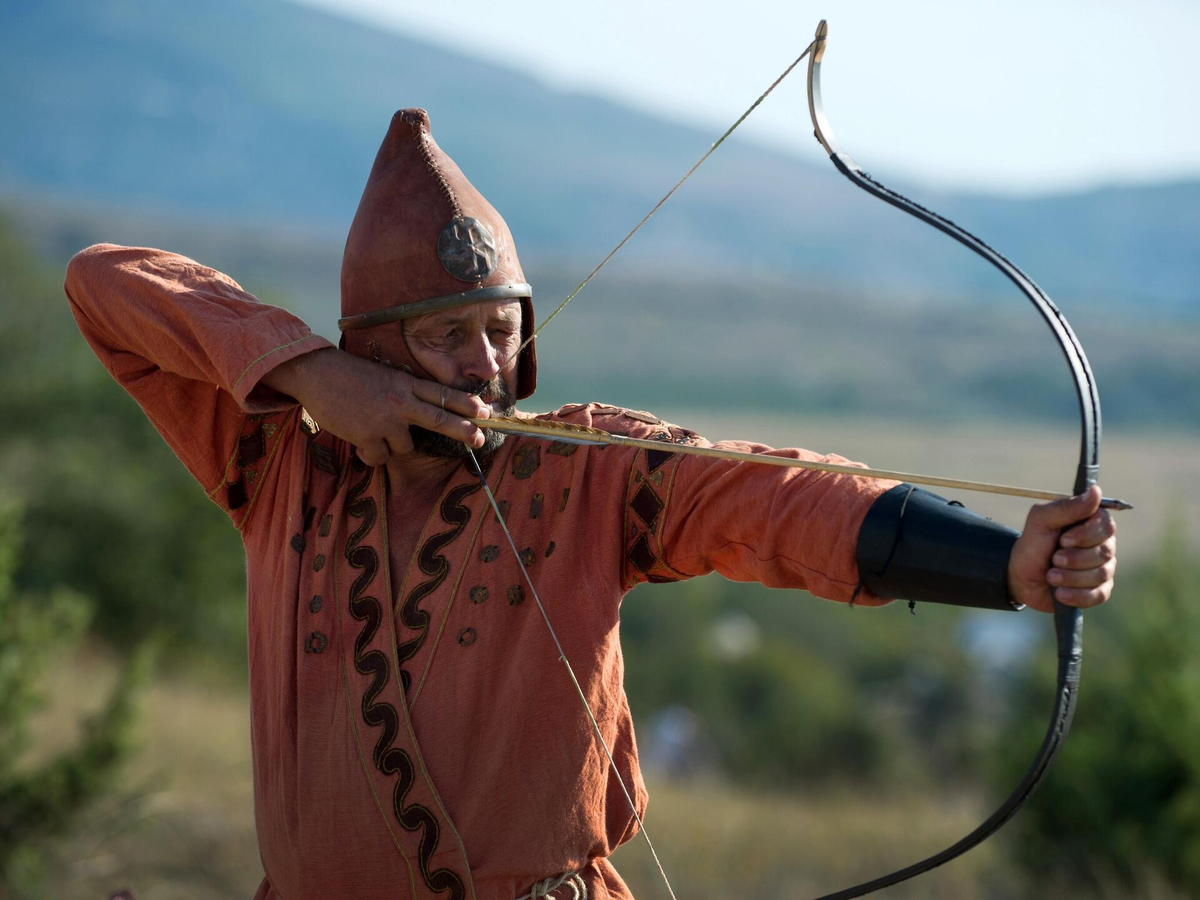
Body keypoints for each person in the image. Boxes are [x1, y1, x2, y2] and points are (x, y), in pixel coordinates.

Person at [64, 108, 1117, 900]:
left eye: (500, 328)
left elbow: (771, 494)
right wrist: (300, 373)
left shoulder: (585, 469)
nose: (483, 363)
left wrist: (1011, 567)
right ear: (371, 350)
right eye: (445, 336)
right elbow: (104, 284)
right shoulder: (276, 469)